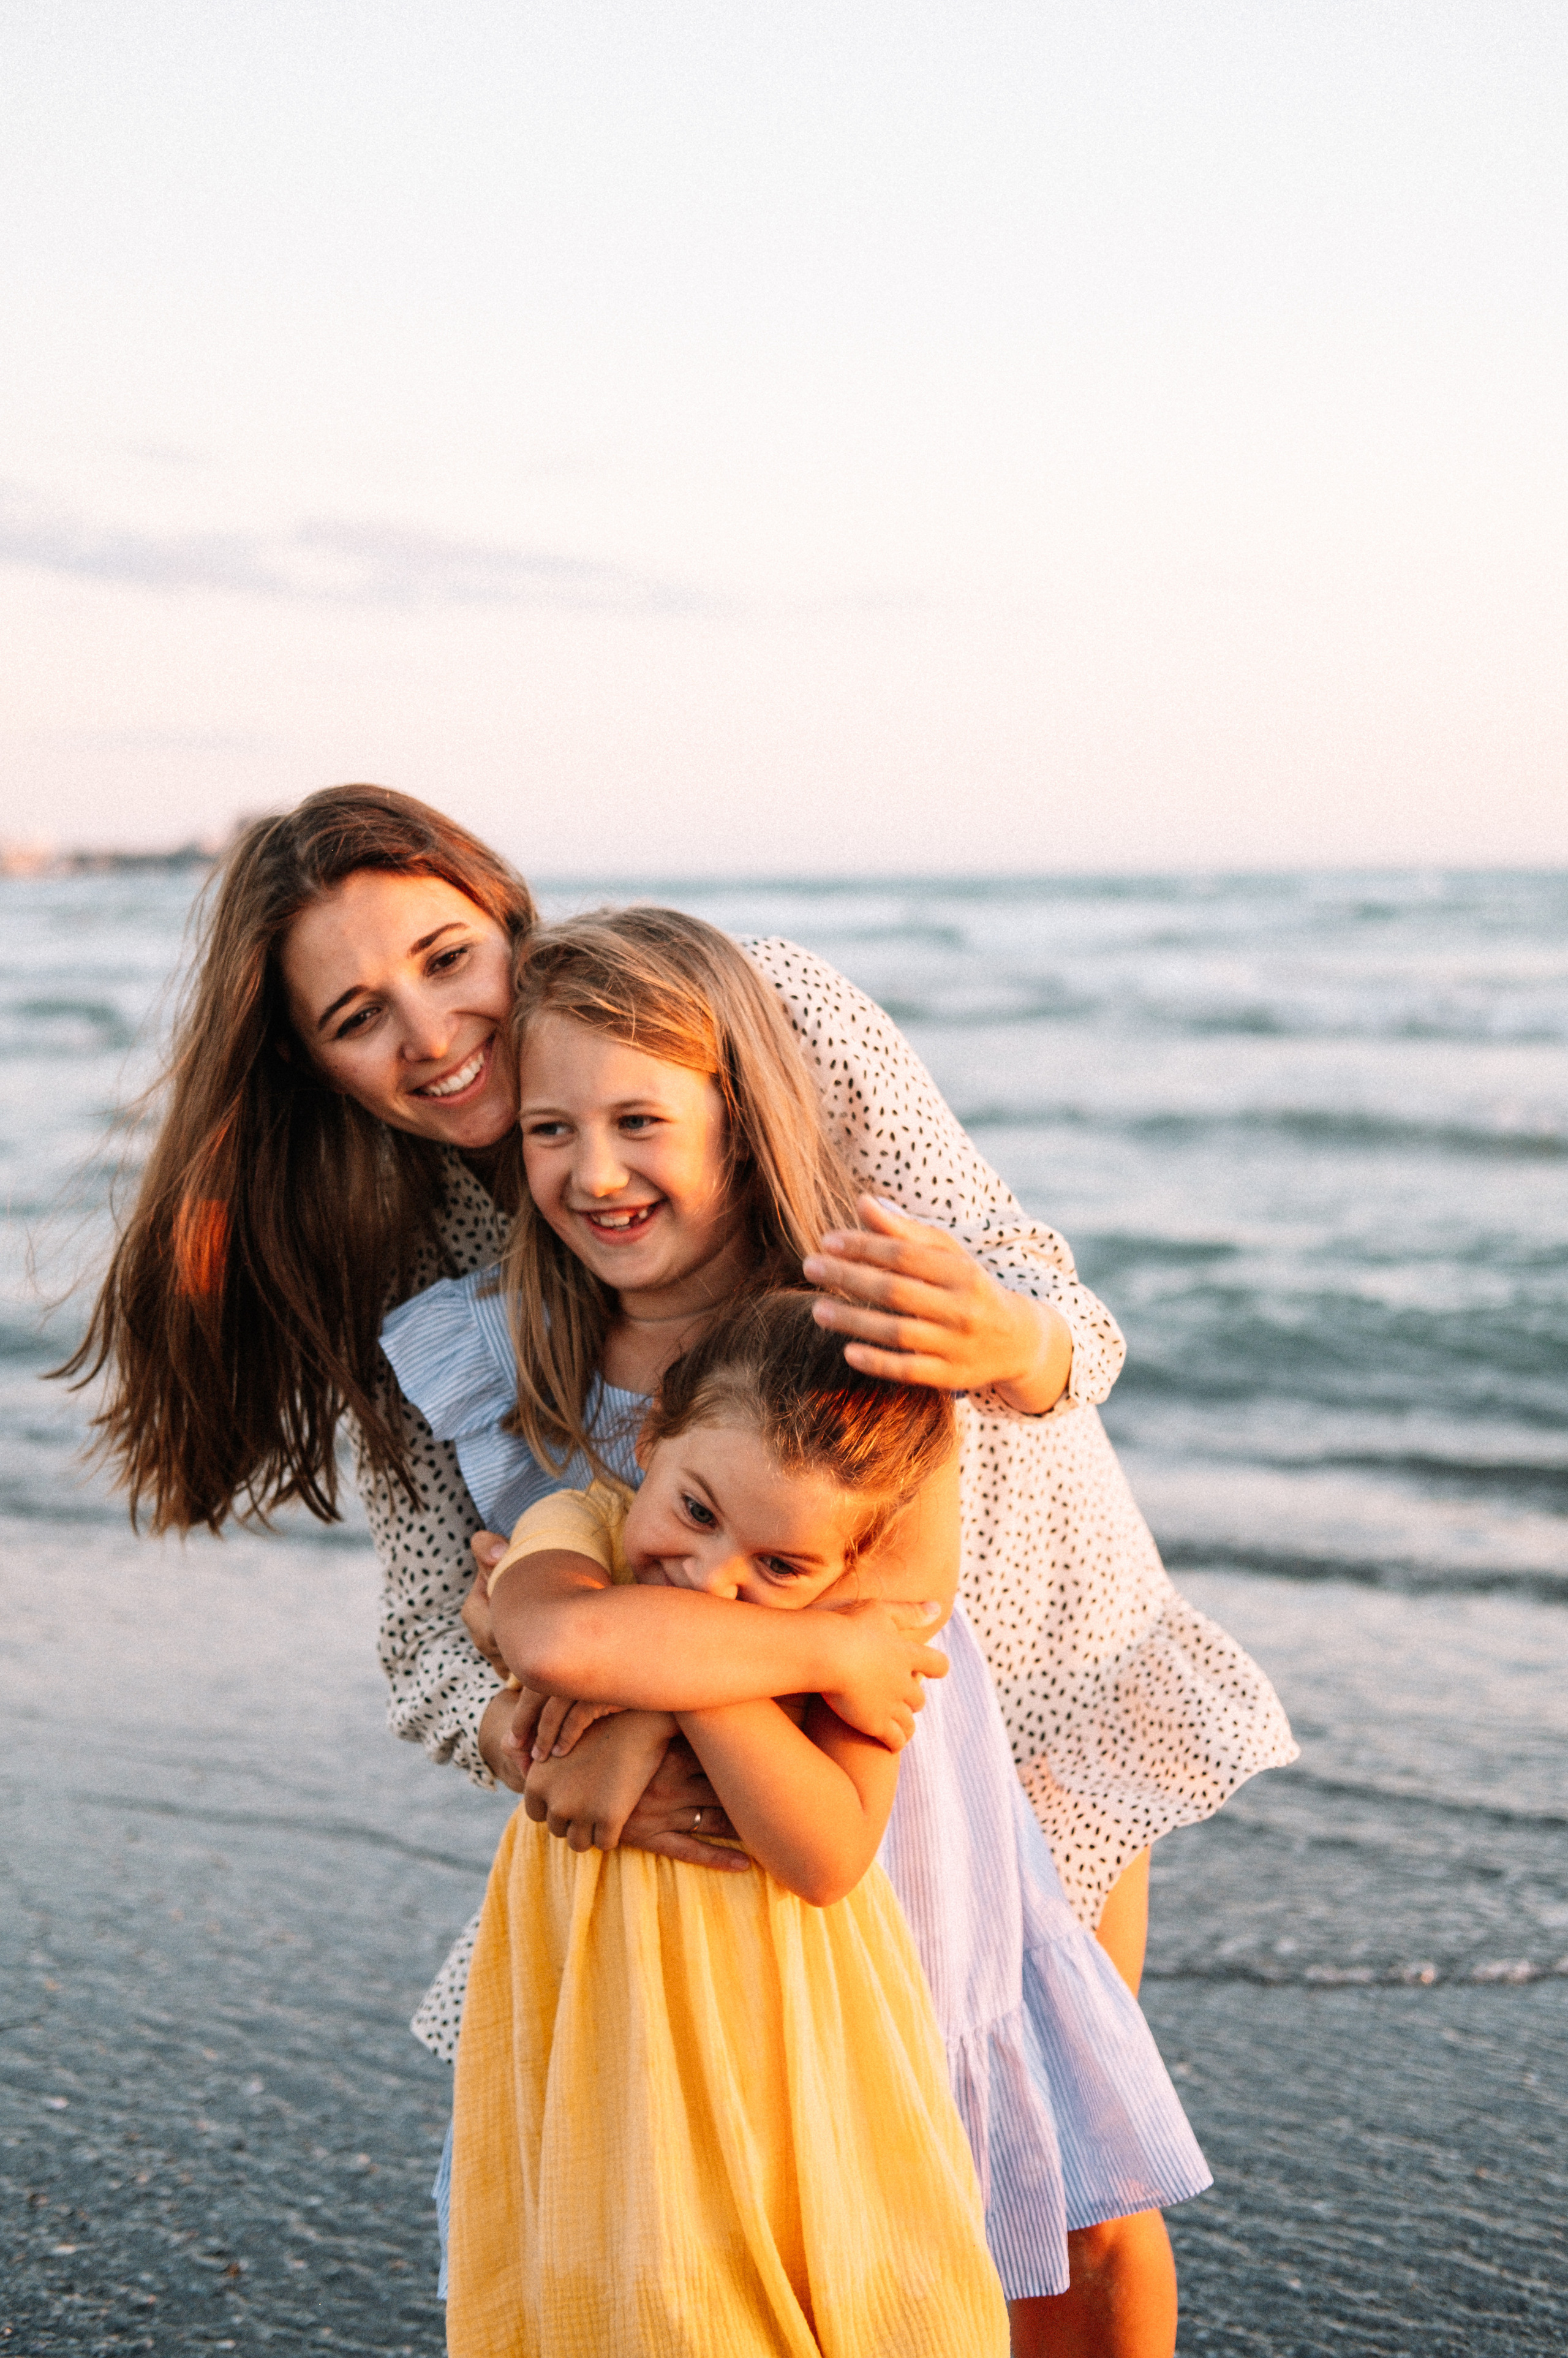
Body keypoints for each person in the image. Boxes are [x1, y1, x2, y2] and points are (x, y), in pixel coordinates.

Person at [64, 784, 1292, 2347]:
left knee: (1054, 2172)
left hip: (1010, 1656)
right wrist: (526, 1723)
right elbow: (441, 1622)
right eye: (359, 1015)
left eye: (449, 958)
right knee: (816, 2198)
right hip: (723, 1729)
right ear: (310, 1059)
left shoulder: (743, 1005)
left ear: (508, 913)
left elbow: (1051, 1301)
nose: (437, 1035)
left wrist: (1019, 1339)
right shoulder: (410, 1259)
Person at [384, 905, 1210, 2356]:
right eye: (548, 1129)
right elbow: (573, 1728)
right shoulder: (541, 1370)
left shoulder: (859, 1365)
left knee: (1033, 2200)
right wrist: (802, 1649)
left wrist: (646, 1661)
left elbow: (866, 1672)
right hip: (705, 1885)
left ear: (736, 1115)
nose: (592, 1169)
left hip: (907, 1853)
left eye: (640, 1117)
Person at [445, 1290, 1012, 2356]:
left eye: (781, 1564)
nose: (715, 1577)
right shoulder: (580, 1527)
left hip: (788, 2036)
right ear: (655, 1434)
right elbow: (551, 1638)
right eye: (697, 1509)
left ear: (849, 1565)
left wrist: (680, 1684)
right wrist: (802, 1655)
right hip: (608, 2021)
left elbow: (829, 1851)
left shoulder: (862, 1634)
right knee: (638, 2291)